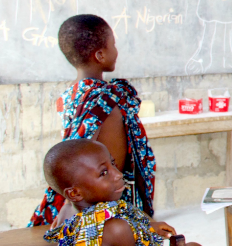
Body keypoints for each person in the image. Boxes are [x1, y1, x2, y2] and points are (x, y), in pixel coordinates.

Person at [42, 139, 221, 246]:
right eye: (104, 173)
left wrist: (146, 227)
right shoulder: (116, 228)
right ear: (74, 193)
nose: (117, 174)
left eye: (112, 164)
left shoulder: (70, 216)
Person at [31, 15, 156, 230]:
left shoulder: (69, 96)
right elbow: (110, 166)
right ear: (100, 55)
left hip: (87, 202)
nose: (116, 51)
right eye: (113, 45)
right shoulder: (106, 102)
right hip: (110, 208)